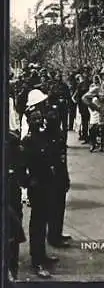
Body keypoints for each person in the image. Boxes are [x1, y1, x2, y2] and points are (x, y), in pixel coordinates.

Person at [21, 89, 60, 278]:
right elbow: (23, 167)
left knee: (43, 219)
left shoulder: (43, 136)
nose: (39, 121)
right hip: (37, 187)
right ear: (29, 121)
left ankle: (42, 255)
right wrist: (29, 182)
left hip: (47, 183)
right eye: (35, 120)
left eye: (40, 119)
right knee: (37, 223)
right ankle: (36, 261)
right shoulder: (28, 141)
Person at [46, 105, 71, 248]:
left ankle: (57, 233)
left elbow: (63, 159)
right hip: (53, 177)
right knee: (54, 208)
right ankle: (53, 237)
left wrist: (66, 176)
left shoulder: (59, 135)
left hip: (60, 175)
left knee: (59, 207)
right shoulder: (50, 137)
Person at [8, 129, 26, 280]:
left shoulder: (12, 141)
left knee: (13, 234)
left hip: (11, 193)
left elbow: (21, 169)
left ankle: (13, 271)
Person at [48, 70, 72, 144]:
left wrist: (68, 106)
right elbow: (50, 98)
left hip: (64, 107)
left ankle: (64, 141)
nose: (59, 78)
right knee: (56, 125)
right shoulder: (53, 87)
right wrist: (53, 105)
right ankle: (58, 140)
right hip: (56, 108)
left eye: (60, 76)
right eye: (57, 76)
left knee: (65, 126)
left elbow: (69, 97)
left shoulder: (65, 86)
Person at [72, 73, 90, 143]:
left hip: (84, 106)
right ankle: (85, 136)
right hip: (85, 105)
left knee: (85, 121)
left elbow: (77, 97)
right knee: (86, 121)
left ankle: (85, 136)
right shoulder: (86, 84)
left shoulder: (81, 85)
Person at [87, 75, 102, 152]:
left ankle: (102, 144)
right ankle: (93, 144)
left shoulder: (101, 87)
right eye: (94, 79)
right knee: (92, 128)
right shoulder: (91, 86)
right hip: (92, 108)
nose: (95, 81)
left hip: (99, 108)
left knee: (100, 128)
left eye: (96, 79)